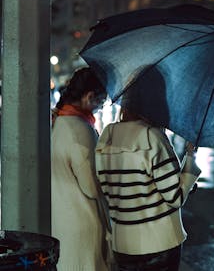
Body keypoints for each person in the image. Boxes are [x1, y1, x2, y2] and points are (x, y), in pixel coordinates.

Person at [95, 79, 201, 271]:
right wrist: (190, 157)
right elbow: (174, 197)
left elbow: (108, 189)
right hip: (158, 243)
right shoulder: (152, 137)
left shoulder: (107, 137)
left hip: (123, 243)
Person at [51, 67, 110, 270]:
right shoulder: (80, 130)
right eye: (100, 104)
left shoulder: (58, 121)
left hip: (62, 222)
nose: (100, 109)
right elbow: (92, 187)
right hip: (84, 223)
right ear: (89, 96)